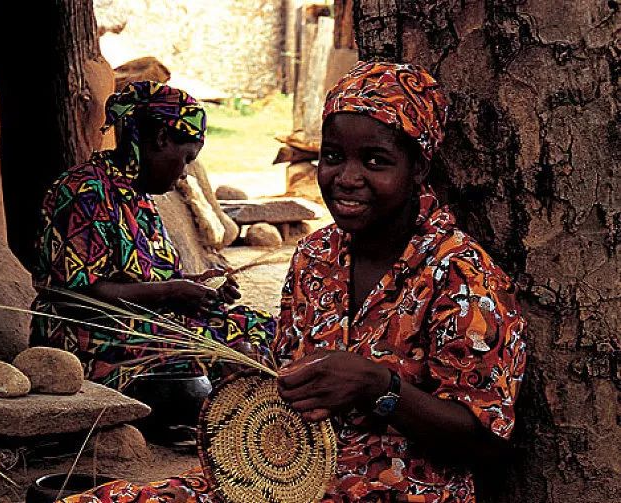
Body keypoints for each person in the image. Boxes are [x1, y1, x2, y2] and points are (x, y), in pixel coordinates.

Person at [61, 62, 527, 503]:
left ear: (418, 168)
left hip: (399, 490)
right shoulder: (315, 256)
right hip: (286, 478)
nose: (346, 178)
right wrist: (256, 372)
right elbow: (289, 371)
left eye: (375, 161)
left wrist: (379, 387)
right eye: (332, 157)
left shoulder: (462, 276)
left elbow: (487, 442)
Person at [30, 81, 275, 390]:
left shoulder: (140, 199)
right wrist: (169, 293)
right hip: (89, 339)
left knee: (263, 329)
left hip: (146, 325)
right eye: (187, 157)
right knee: (202, 366)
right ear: (161, 138)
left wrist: (198, 293)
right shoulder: (84, 193)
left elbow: (146, 279)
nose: (185, 172)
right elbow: (74, 297)